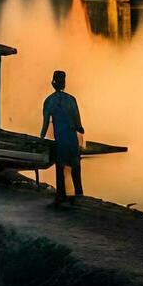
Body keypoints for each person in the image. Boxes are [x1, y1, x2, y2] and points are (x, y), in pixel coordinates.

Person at [40, 69, 84, 204]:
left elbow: (46, 123)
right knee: (75, 169)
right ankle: (78, 195)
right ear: (64, 83)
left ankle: (61, 196)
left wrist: (41, 138)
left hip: (61, 140)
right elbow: (78, 125)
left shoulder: (49, 101)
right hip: (72, 139)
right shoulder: (71, 100)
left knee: (61, 168)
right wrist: (80, 133)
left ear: (53, 83)